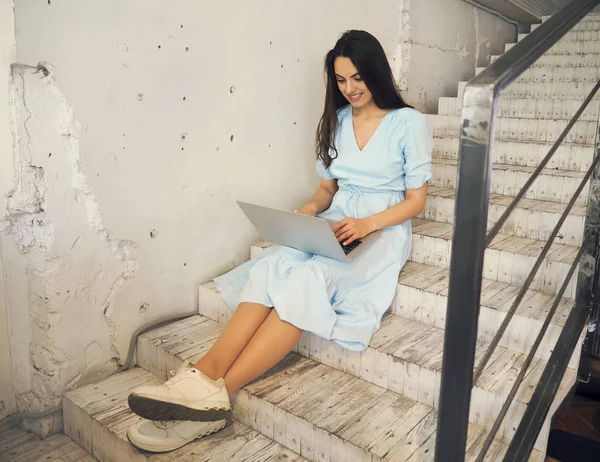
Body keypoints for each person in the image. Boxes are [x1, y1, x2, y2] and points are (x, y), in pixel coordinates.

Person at [125, 29, 432, 453]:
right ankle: (201, 375)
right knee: (273, 265)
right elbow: (326, 191)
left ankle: (218, 397)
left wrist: (369, 225)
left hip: (382, 228)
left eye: (357, 78)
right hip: (338, 219)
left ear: (376, 72)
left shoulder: (409, 123)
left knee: (308, 279)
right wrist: (307, 212)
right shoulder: (339, 121)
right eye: (341, 80)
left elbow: (416, 201)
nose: (350, 89)